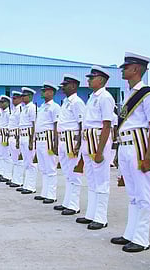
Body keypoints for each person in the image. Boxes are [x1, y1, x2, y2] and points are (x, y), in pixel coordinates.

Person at [111, 52, 150, 252]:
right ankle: (130, 233)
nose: (123, 70)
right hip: (125, 145)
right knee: (132, 194)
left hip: (139, 146)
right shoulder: (129, 94)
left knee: (143, 194)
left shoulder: (148, 94)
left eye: (126, 67)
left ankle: (141, 239)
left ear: (137, 69)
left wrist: (149, 157)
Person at [75, 65, 114, 230]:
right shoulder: (92, 97)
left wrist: (100, 151)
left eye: (92, 77)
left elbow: (107, 125)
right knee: (91, 181)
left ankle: (101, 217)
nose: (89, 80)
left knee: (101, 181)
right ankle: (91, 214)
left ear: (101, 80)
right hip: (88, 141)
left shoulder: (105, 97)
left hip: (98, 141)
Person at [54, 74, 85, 215]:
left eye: (65, 85)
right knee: (67, 174)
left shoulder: (77, 102)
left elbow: (82, 124)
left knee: (74, 174)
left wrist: (79, 144)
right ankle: (67, 201)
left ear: (73, 86)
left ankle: (74, 205)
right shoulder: (66, 102)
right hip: (63, 140)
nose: (63, 88)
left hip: (72, 140)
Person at [34, 82, 60, 204]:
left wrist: (55, 143)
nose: (43, 93)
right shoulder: (42, 107)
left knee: (50, 168)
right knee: (43, 168)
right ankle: (44, 192)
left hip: (48, 139)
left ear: (51, 92)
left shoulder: (54, 107)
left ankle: (51, 194)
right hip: (40, 139)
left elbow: (56, 125)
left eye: (45, 91)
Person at [19, 87, 38, 195]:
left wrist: (32, 140)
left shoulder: (32, 107)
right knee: (26, 162)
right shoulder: (24, 108)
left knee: (31, 163)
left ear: (30, 96)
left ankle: (31, 186)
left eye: (24, 95)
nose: (23, 97)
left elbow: (34, 124)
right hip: (22, 135)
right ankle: (26, 185)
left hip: (29, 136)